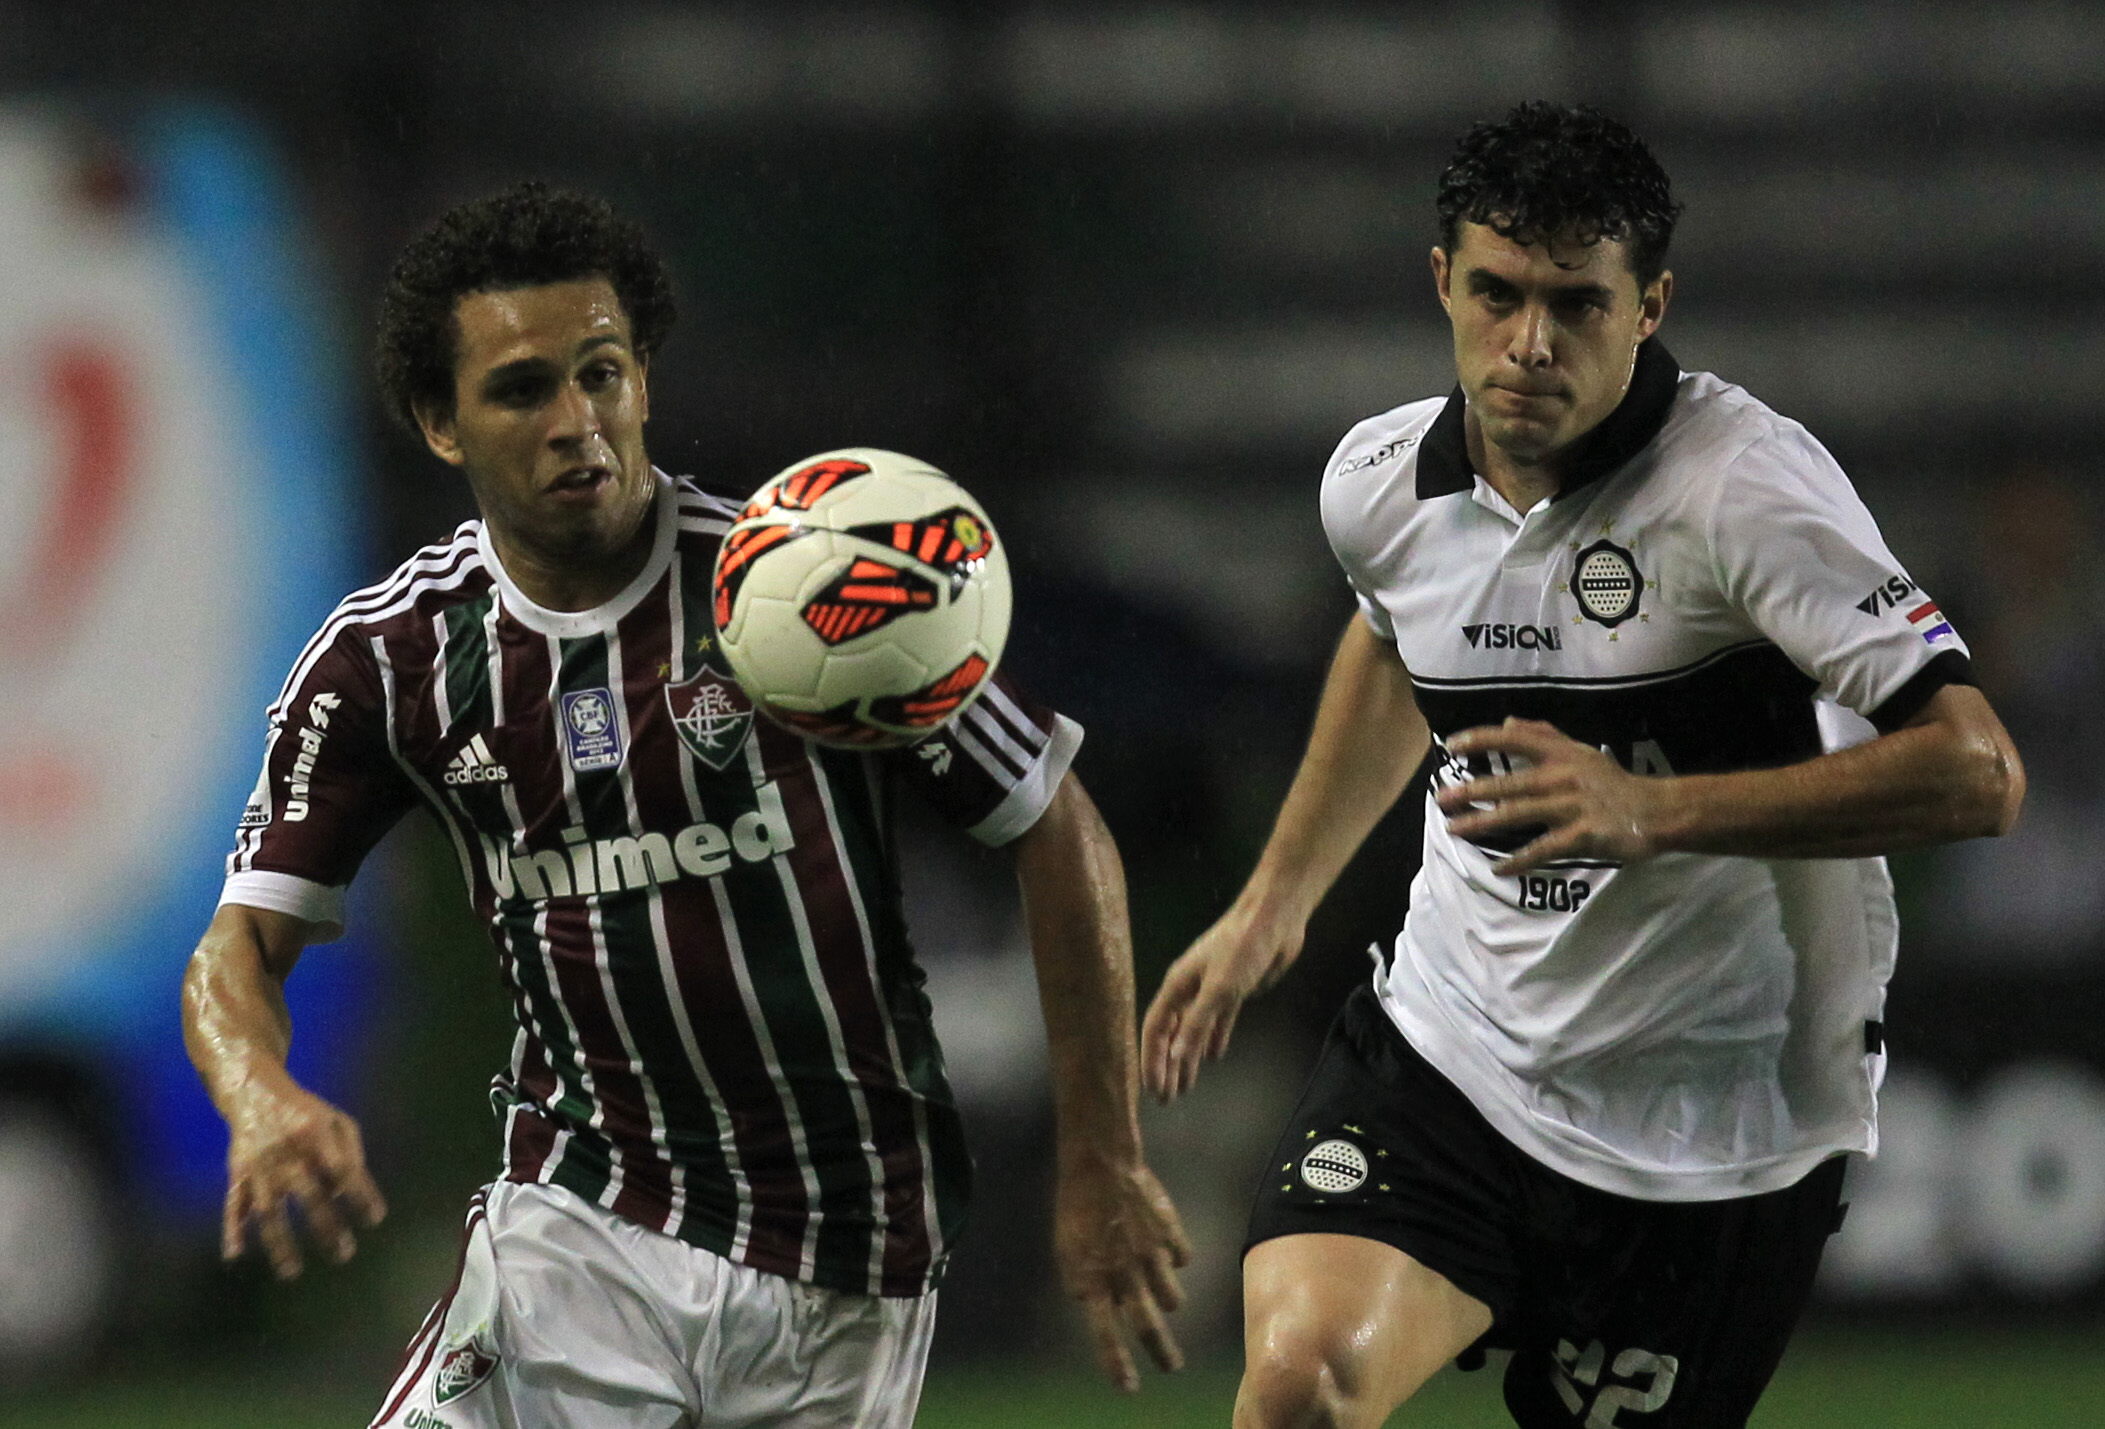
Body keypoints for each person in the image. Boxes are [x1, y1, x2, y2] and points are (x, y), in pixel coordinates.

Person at [181, 182, 1188, 1428]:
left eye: (600, 373)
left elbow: (1051, 820)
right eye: (520, 389)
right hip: (580, 1225)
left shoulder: (812, 578)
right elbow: (236, 947)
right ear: (441, 424)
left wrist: (1102, 1158)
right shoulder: (390, 662)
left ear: (643, 380)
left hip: (843, 1243)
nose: (576, 422)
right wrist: (258, 1094)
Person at [1141, 101, 2024, 1428]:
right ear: (1442, 279)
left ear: (1649, 303)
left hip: (1717, 1115)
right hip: (1452, 1048)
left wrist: (1650, 809)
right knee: (1295, 1390)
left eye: (1577, 303)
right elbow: (1391, 642)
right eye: (1495, 294)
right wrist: (1278, 898)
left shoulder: (1744, 492)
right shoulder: (1376, 483)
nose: (1529, 344)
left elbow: (1975, 772)